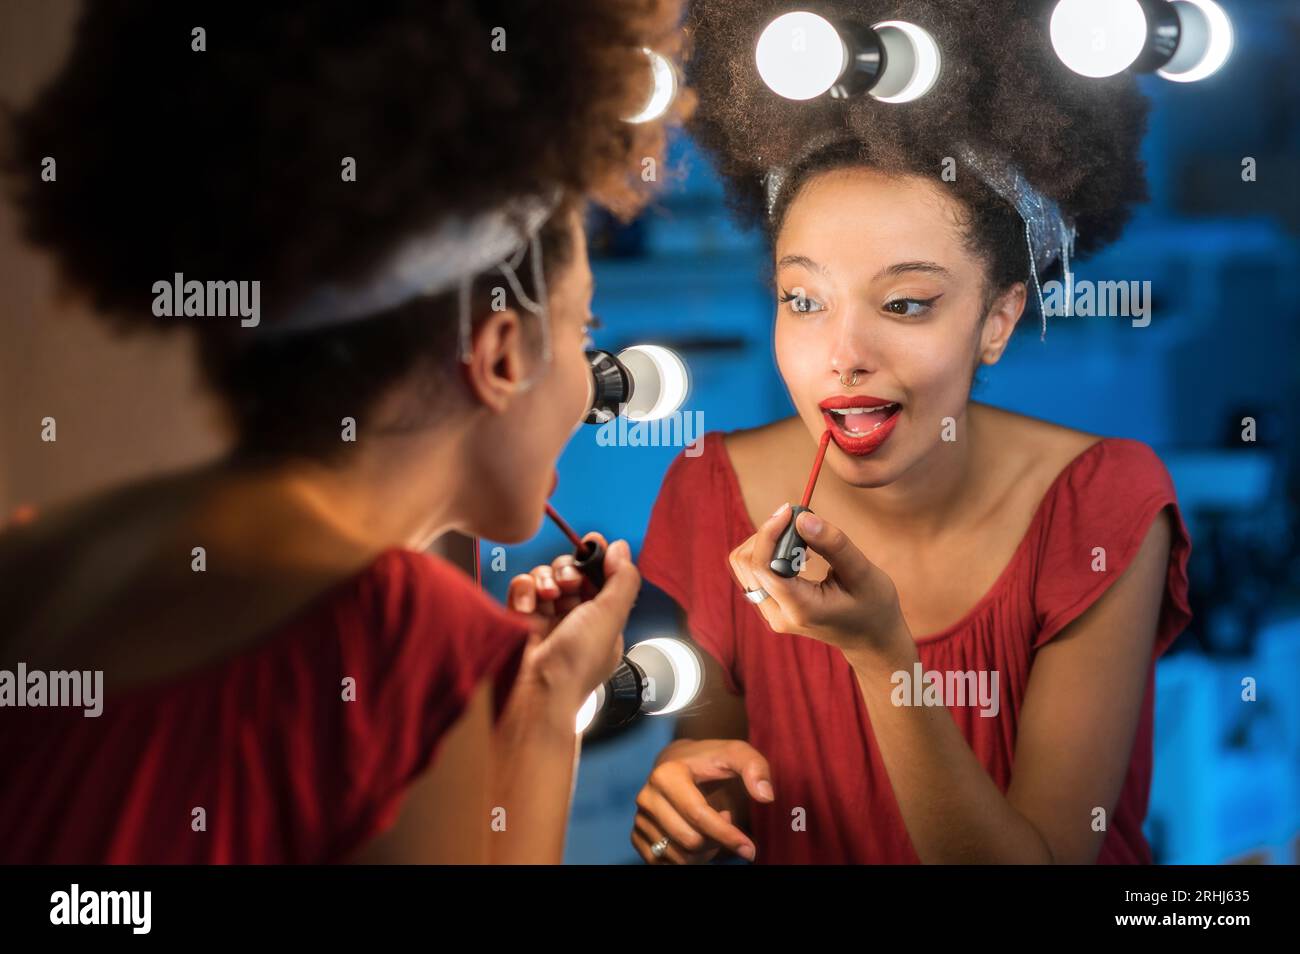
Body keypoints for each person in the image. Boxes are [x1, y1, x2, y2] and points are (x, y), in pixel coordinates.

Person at [0, 0, 685, 864]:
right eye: (585, 333)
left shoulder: (37, 566)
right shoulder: (399, 643)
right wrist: (544, 718)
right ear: (501, 353)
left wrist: (541, 690)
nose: (590, 374)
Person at [631, 0, 1191, 864]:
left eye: (905, 304)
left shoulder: (1103, 506)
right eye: (803, 301)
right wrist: (684, 811)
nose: (843, 356)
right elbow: (730, 790)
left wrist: (883, 659)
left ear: (999, 320)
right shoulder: (709, 489)